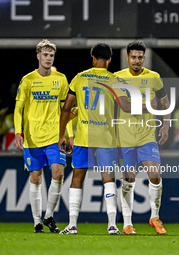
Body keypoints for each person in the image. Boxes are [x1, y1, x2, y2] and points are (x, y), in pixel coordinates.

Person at [58, 43, 128, 235]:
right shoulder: (114, 80)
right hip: (106, 137)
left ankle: (72, 225)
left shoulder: (80, 78)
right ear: (110, 60)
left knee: (77, 178)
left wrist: (61, 134)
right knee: (108, 178)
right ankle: (112, 225)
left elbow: (66, 109)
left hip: (83, 136)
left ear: (93, 58)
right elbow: (125, 107)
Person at [14, 39, 73, 233]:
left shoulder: (61, 79)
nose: (48, 58)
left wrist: (69, 134)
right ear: (38, 56)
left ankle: (49, 216)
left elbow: (67, 110)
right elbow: (18, 108)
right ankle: (37, 221)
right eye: (45, 55)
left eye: (51, 55)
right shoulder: (27, 80)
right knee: (36, 178)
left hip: (54, 136)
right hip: (32, 136)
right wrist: (17, 132)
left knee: (58, 174)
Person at [115, 41, 170, 235]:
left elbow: (165, 102)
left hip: (147, 134)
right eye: (133, 57)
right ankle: (127, 224)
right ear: (127, 58)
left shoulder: (154, 78)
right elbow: (124, 106)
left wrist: (166, 125)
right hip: (125, 136)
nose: (137, 60)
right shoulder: (119, 78)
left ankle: (154, 216)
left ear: (143, 58)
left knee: (154, 174)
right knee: (128, 179)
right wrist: (150, 105)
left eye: (140, 57)